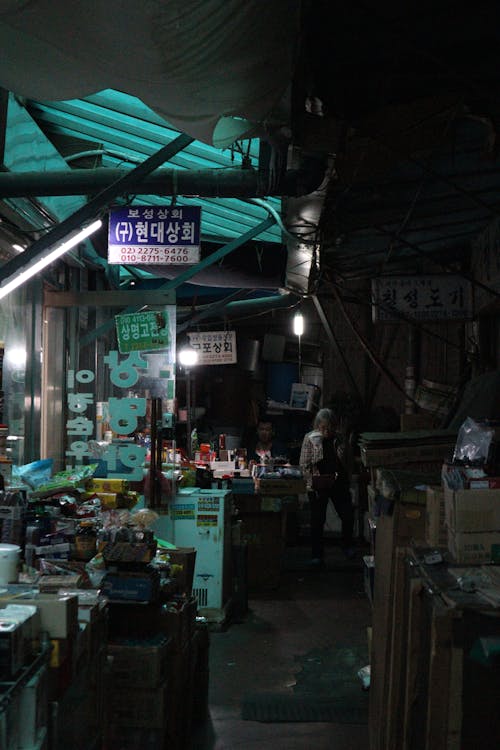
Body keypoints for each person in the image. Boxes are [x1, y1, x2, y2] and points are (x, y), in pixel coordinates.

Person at [299, 408, 355, 565]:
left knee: (347, 515)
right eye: (322, 427)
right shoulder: (309, 439)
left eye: (329, 427)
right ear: (317, 426)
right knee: (317, 520)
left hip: (338, 483)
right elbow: (304, 465)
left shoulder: (340, 438)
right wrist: (313, 480)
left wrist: (348, 477)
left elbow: (348, 460)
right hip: (318, 484)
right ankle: (317, 554)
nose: (326, 431)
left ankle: (347, 546)